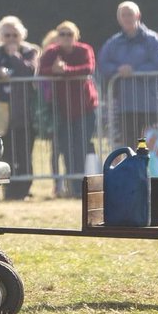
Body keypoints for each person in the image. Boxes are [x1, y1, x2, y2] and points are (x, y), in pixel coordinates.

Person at [0, 16, 38, 199]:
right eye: (7, 35)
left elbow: (29, 70)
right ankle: (10, 191)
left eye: (15, 35)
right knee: (7, 155)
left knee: (24, 153)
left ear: (22, 35)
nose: (11, 39)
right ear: (1, 36)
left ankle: (23, 190)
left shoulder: (29, 51)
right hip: (1, 115)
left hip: (24, 114)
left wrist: (14, 56)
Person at [38, 21, 98, 198]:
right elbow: (42, 71)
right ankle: (71, 187)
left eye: (69, 34)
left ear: (76, 36)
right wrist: (54, 70)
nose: (65, 37)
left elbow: (88, 68)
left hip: (85, 108)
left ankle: (80, 188)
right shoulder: (51, 52)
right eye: (62, 34)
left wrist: (64, 70)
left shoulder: (84, 50)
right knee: (65, 149)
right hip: (61, 110)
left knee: (81, 147)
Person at [98, 1, 158, 147]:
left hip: (150, 105)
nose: (127, 18)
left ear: (138, 15)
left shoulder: (153, 39)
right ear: (119, 19)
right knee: (130, 148)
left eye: (130, 14)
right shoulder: (113, 42)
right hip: (126, 106)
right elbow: (103, 63)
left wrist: (134, 71)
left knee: (152, 150)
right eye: (123, 15)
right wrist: (118, 70)